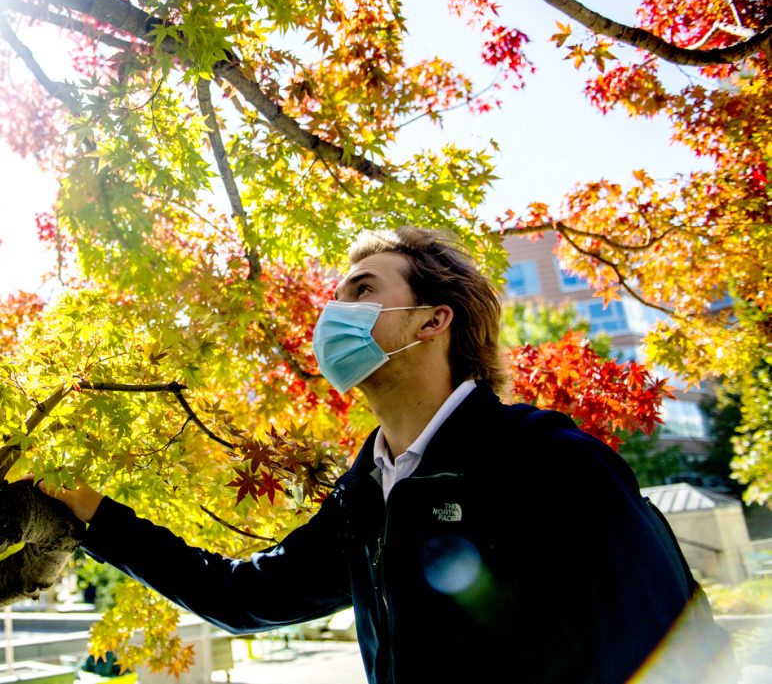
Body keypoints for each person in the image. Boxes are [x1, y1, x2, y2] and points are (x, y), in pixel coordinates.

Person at [46, 227, 736, 683]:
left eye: (362, 289)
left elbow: (683, 655)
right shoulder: (365, 498)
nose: (331, 312)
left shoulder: (550, 462)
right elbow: (240, 595)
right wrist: (94, 517)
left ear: (435, 320)